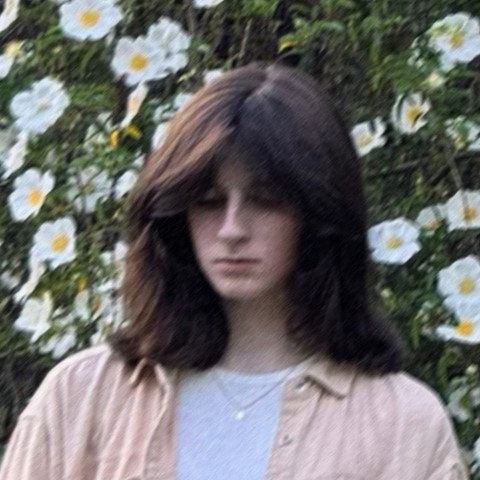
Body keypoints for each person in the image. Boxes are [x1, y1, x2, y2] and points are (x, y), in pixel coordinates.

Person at [0, 62, 470, 480]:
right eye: (208, 201)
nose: (232, 229)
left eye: (265, 200)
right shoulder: (81, 399)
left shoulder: (404, 424)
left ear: (319, 214)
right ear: (175, 215)